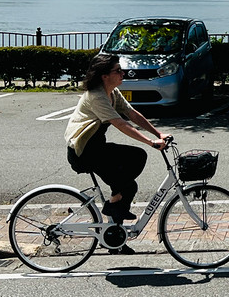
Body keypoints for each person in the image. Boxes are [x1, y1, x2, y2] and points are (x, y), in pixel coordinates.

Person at [64, 53, 167, 234]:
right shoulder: (96, 96)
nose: (123, 73)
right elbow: (120, 123)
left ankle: (115, 234)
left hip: (96, 148)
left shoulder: (111, 92)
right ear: (105, 76)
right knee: (130, 181)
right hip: (84, 152)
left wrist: (158, 133)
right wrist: (151, 142)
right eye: (118, 70)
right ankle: (113, 206)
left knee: (131, 177)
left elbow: (131, 113)